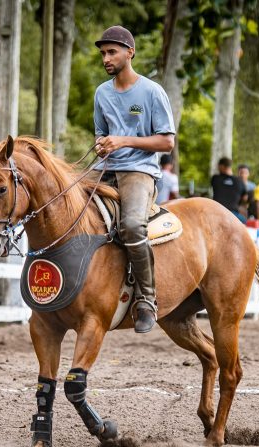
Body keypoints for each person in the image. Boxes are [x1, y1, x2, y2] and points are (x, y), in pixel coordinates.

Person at [92, 25, 175, 333]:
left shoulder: (152, 91)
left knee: (131, 226)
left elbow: (167, 142)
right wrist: (101, 144)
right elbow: (101, 135)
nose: (106, 58)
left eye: (112, 52)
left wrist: (123, 142)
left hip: (140, 171)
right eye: (103, 53)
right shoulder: (102, 93)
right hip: (107, 169)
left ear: (130, 52)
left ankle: (147, 299)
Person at [211, 157, 247, 223]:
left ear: (221, 166)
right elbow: (245, 198)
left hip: (216, 214)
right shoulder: (239, 181)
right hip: (233, 215)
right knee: (246, 223)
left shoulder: (215, 179)